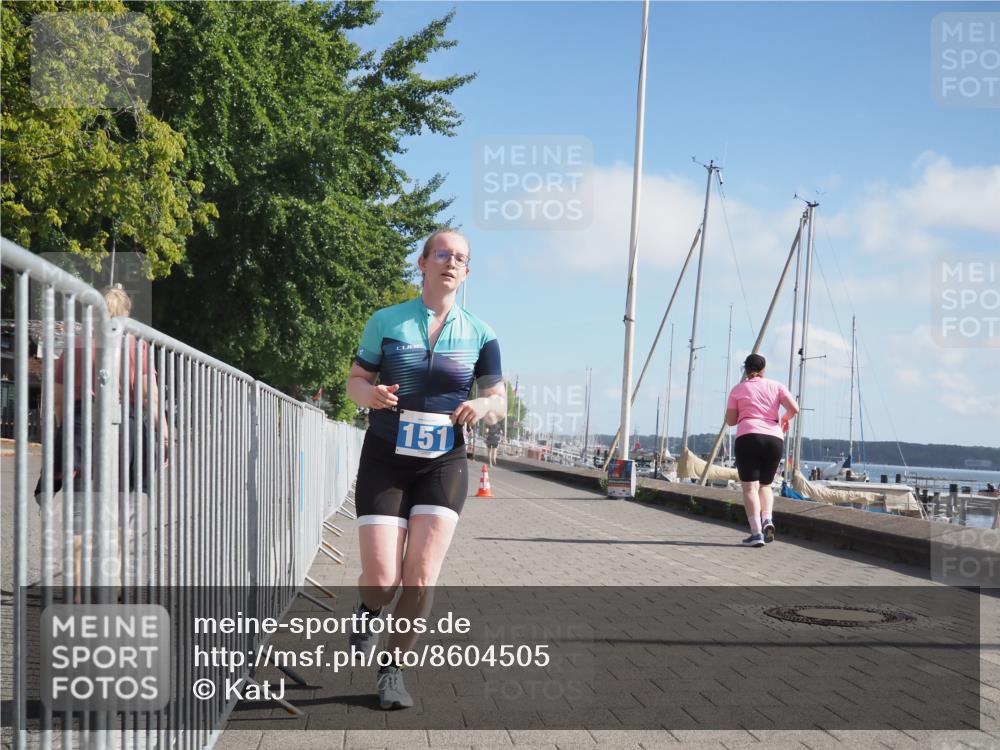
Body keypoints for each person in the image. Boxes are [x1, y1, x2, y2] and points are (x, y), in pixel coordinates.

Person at [346, 228, 505, 709]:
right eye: (442, 254)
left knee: (419, 578)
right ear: (423, 262)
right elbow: (355, 381)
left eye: (461, 258)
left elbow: (498, 399)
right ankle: (368, 609)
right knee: (382, 579)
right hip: (385, 457)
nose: (451, 262)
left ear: (467, 272)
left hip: (443, 463)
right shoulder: (386, 321)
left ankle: (392, 671)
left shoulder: (481, 334)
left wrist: (482, 405)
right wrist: (370, 394)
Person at [725, 353, 799, 547]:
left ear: (745, 369)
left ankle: (756, 533)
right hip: (774, 438)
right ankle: (767, 519)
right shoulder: (777, 386)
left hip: (748, 436)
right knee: (765, 485)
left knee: (750, 487)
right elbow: (794, 408)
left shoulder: (738, 390)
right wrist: (784, 419)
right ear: (763, 369)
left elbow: (731, 421)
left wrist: (744, 411)